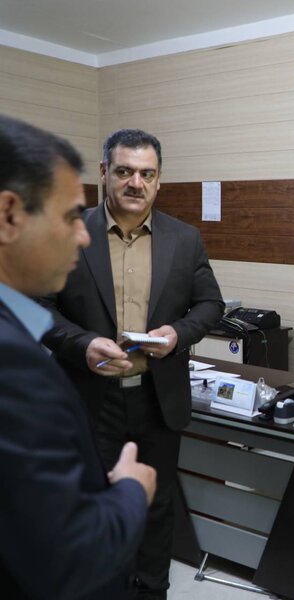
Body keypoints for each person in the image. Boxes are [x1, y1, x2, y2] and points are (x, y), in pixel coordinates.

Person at [41, 128, 224, 599]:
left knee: (157, 507)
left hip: (156, 401)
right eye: (124, 171)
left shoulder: (184, 239)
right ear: (104, 173)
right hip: (88, 400)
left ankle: (151, 591)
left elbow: (210, 305)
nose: (135, 183)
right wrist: (82, 344)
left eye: (147, 174)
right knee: (91, 505)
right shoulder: (69, 231)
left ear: (159, 180)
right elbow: (38, 307)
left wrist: (178, 335)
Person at [0, 114, 157, 598]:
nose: (83, 235)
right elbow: (68, 557)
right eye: (70, 216)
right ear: (9, 215)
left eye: (147, 173)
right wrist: (131, 490)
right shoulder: (14, 363)